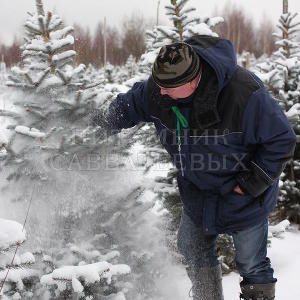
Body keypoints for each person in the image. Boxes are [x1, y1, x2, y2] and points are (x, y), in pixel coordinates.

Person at [91, 35, 296, 300]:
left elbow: (281, 140)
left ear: (192, 81)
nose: (160, 92)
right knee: (190, 245)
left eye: (168, 88)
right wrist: (95, 124)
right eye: (159, 85)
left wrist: (249, 184)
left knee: (251, 263)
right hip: (198, 193)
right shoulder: (159, 89)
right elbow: (128, 106)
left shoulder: (243, 94)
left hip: (243, 197)